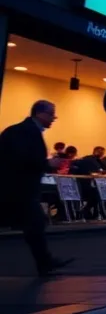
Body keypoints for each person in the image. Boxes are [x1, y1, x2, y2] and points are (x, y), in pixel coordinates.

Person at [0, 101, 73, 276]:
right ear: (40, 114)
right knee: (35, 223)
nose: (54, 118)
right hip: (18, 188)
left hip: (16, 187)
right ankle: (44, 262)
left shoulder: (20, 131)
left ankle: (45, 262)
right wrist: (47, 164)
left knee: (34, 224)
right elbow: (22, 158)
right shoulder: (24, 132)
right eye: (51, 114)